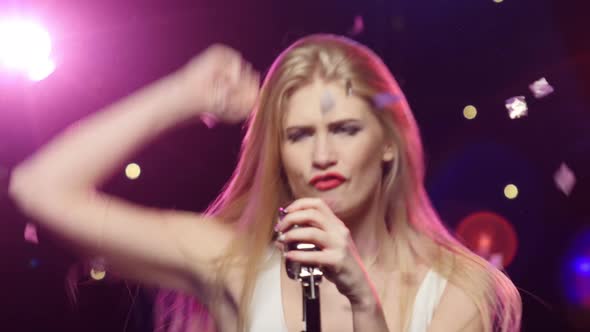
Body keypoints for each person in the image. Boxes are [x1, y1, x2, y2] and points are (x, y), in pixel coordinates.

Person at [8, 34, 522, 332]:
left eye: (344, 129)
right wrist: (183, 94)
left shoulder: (458, 287)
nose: (322, 155)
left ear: (388, 143)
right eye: (298, 135)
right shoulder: (236, 262)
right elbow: (38, 188)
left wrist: (362, 302)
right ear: (277, 152)